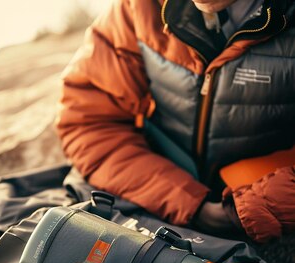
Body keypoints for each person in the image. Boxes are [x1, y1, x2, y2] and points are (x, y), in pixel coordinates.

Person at [55, 0, 294, 243]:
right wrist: (192, 205)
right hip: (166, 186)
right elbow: (89, 123)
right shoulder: (138, 8)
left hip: (263, 209)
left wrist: (258, 206)